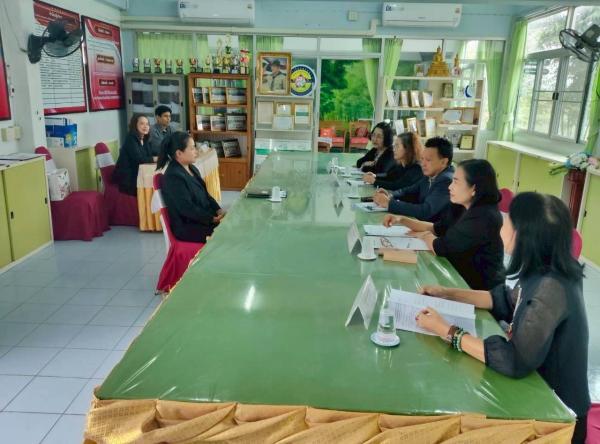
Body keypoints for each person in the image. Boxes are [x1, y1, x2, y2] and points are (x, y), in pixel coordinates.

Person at [415, 192, 589, 443]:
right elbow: (505, 300)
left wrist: (446, 330)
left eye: (509, 222)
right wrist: (447, 293)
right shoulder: (543, 269)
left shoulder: (552, 287)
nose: (502, 227)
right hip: (537, 397)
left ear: (525, 234)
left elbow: (513, 359)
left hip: (557, 421)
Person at [383, 159, 504, 290]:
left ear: (474, 188)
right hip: (458, 276)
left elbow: (439, 246)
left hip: (476, 288)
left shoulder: (483, 217)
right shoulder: (461, 206)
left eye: (456, 182)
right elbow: (436, 228)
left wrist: (424, 235)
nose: (450, 187)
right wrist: (401, 220)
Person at [158, 132, 225, 243]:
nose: (196, 151)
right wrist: (212, 219)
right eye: (192, 148)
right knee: (229, 234)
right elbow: (187, 209)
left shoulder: (192, 168)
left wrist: (219, 210)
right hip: (188, 227)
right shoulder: (173, 176)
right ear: (179, 153)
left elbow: (206, 195)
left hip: (202, 219)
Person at [373, 136, 453, 222]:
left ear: (443, 162)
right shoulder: (431, 174)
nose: (423, 164)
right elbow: (407, 191)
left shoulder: (446, 180)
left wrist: (389, 204)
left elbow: (425, 211)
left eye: (428, 160)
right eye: (422, 159)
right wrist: (390, 195)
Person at [112, 114, 155, 196]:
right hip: (128, 178)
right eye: (142, 123)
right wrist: (155, 159)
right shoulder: (130, 139)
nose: (145, 126)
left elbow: (149, 156)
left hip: (138, 174)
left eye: (147, 124)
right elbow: (139, 160)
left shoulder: (145, 139)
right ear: (135, 125)